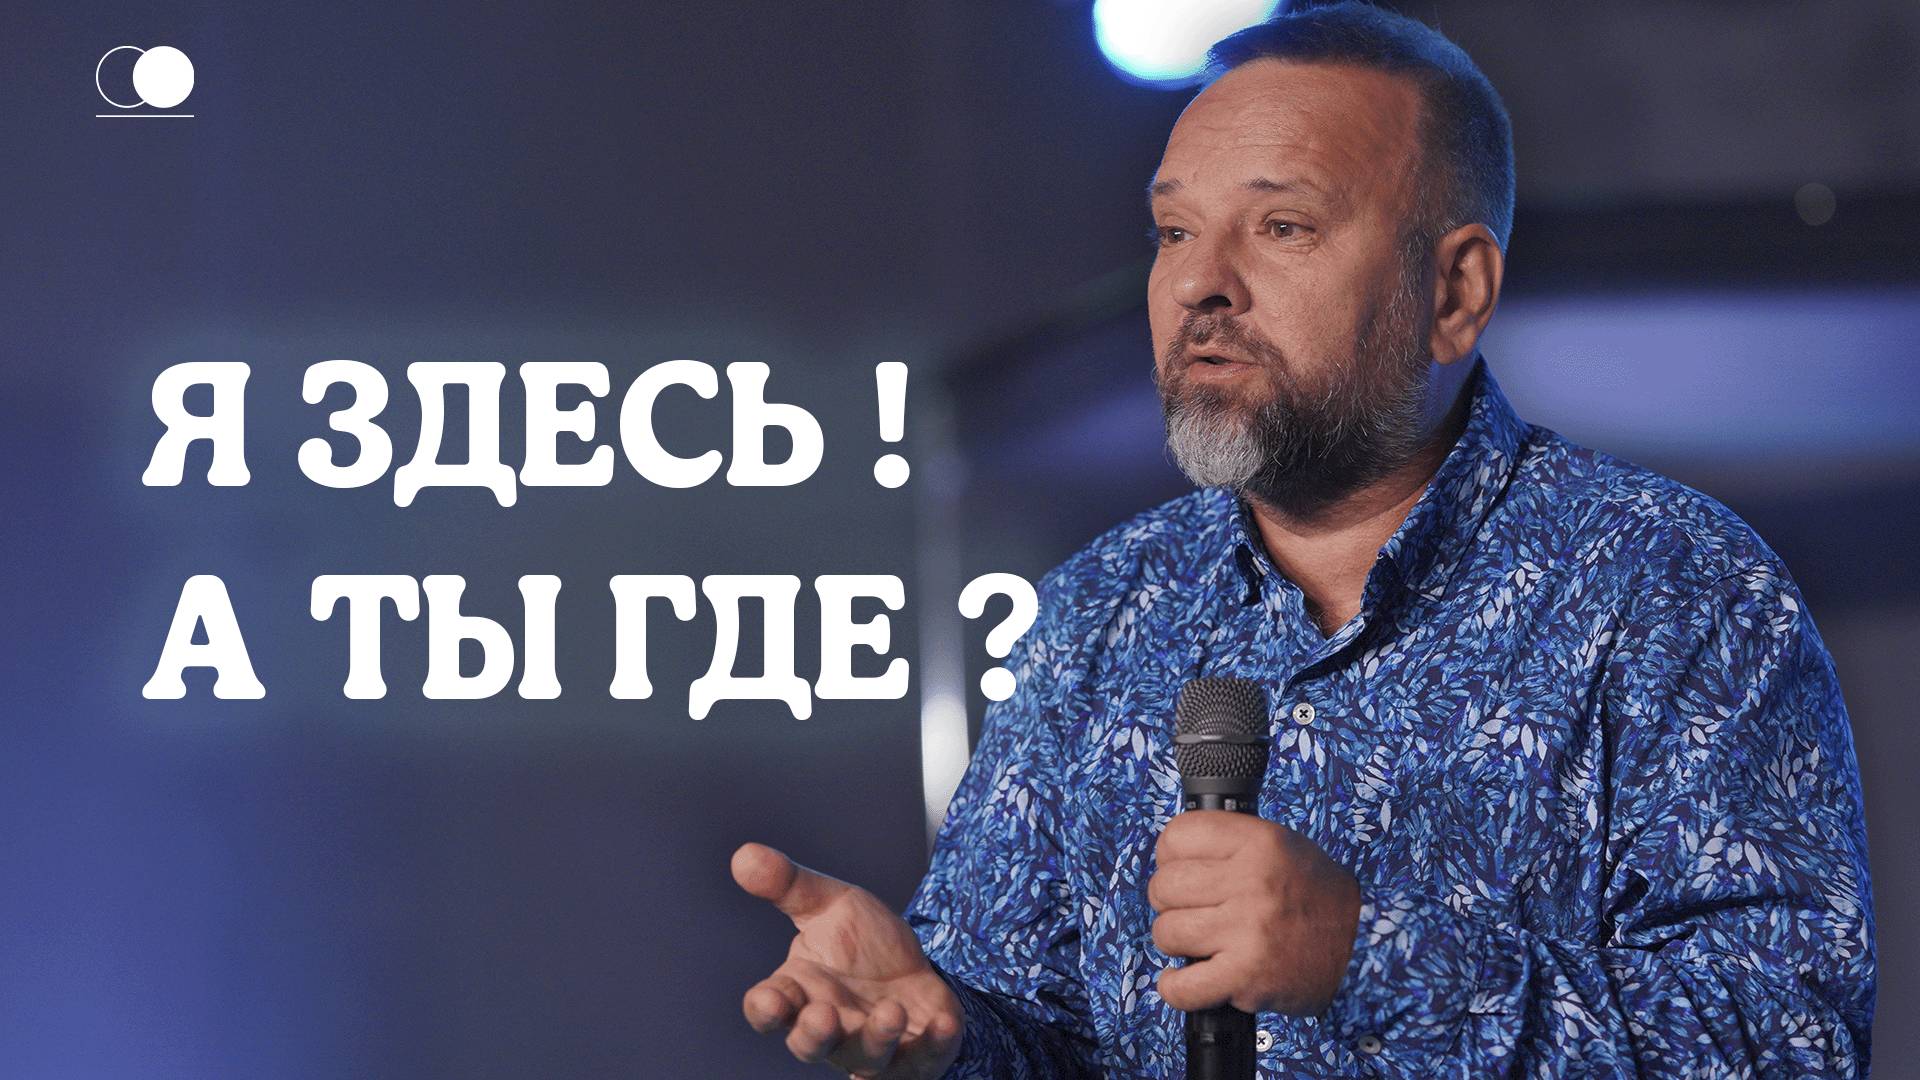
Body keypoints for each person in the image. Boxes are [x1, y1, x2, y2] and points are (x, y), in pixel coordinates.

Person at [730, 3, 1877, 1076]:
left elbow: (1792, 1045)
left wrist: (1369, 959)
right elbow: (1037, 1032)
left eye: (1282, 226)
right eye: (1174, 229)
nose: (1198, 284)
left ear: (1455, 291)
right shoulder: (1098, 614)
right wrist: (941, 1037)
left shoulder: (1676, 591)